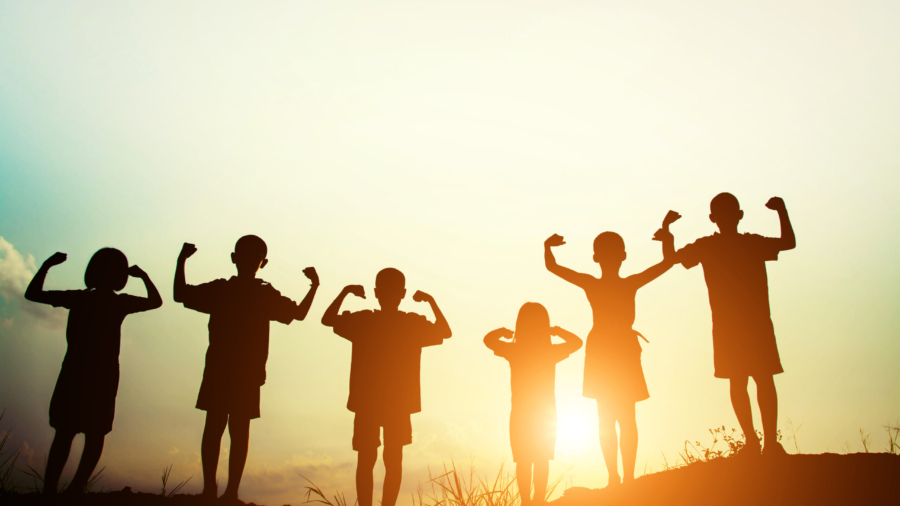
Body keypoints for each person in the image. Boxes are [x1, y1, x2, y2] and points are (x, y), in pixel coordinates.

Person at [173, 236, 319, 502]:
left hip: (223, 370)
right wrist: (314, 287)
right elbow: (297, 314)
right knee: (237, 431)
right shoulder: (262, 293)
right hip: (243, 373)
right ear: (263, 263)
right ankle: (227, 492)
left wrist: (181, 260)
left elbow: (180, 294)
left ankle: (212, 490)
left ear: (233, 258)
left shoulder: (225, 290)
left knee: (216, 427)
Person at [544, 211, 678, 487]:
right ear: (623, 256)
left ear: (597, 257)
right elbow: (668, 262)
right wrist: (667, 237)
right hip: (610, 350)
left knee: (612, 416)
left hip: (611, 350)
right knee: (621, 416)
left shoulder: (600, 283)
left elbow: (553, 267)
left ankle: (619, 478)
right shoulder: (624, 283)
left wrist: (547, 248)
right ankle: (620, 477)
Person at [664, 193, 795, 457]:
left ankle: (758, 442)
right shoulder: (748, 243)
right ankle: (762, 442)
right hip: (748, 324)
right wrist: (781, 210)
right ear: (739, 215)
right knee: (758, 380)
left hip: (736, 325)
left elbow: (672, 259)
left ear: (714, 219)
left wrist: (668, 232)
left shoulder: (713, 245)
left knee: (744, 381)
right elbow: (788, 242)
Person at [24, 248, 163, 497]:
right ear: (121, 276)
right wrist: (143, 276)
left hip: (77, 369)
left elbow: (33, 294)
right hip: (103, 372)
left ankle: (51, 488)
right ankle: (76, 486)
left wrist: (47, 265)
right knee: (95, 432)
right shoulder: (118, 302)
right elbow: (155, 301)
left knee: (66, 432)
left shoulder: (80, 298)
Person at [321, 268, 451, 506]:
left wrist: (346, 292)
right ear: (402, 293)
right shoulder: (409, 323)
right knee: (391, 458)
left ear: (375, 292)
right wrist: (430, 301)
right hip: (395, 402)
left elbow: (328, 319)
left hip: (370, 401)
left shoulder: (365, 321)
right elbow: (445, 331)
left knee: (368, 458)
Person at [483, 303, 582, 505]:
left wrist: (502, 331)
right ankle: (538, 500)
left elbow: (488, 340)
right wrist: (556, 330)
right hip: (545, 413)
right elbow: (576, 342)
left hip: (520, 413)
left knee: (524, 460)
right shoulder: (549, 351)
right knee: (541, 458)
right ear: (544, 325)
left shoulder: (514, 349)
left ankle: (527, 501)